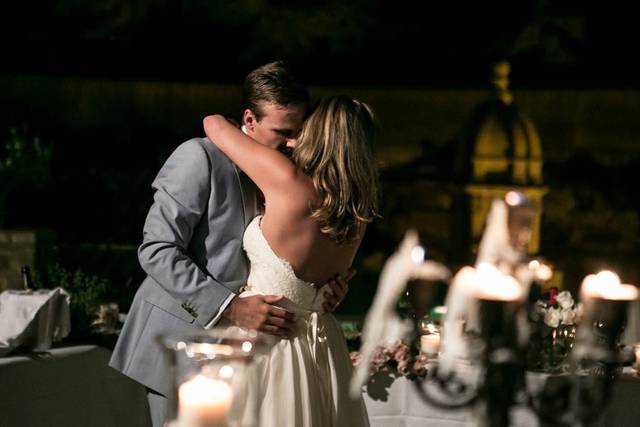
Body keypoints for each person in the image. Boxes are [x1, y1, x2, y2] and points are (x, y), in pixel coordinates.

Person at [109, 62, 352, 427]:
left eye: (300, 132)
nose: (293, 143)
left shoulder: (294, 175)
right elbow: (157, 250)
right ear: (249, 119)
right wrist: (229, 308)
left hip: (252, 359)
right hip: (182, 344)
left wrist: (326, 287)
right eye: (283, 132)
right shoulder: (199, 157)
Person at [203, 94, 379, 426]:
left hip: (268, 344)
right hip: (325, 348)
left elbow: (213, 123)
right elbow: (328, 283)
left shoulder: (288, 181)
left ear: (319, 134)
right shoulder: (358, 214)